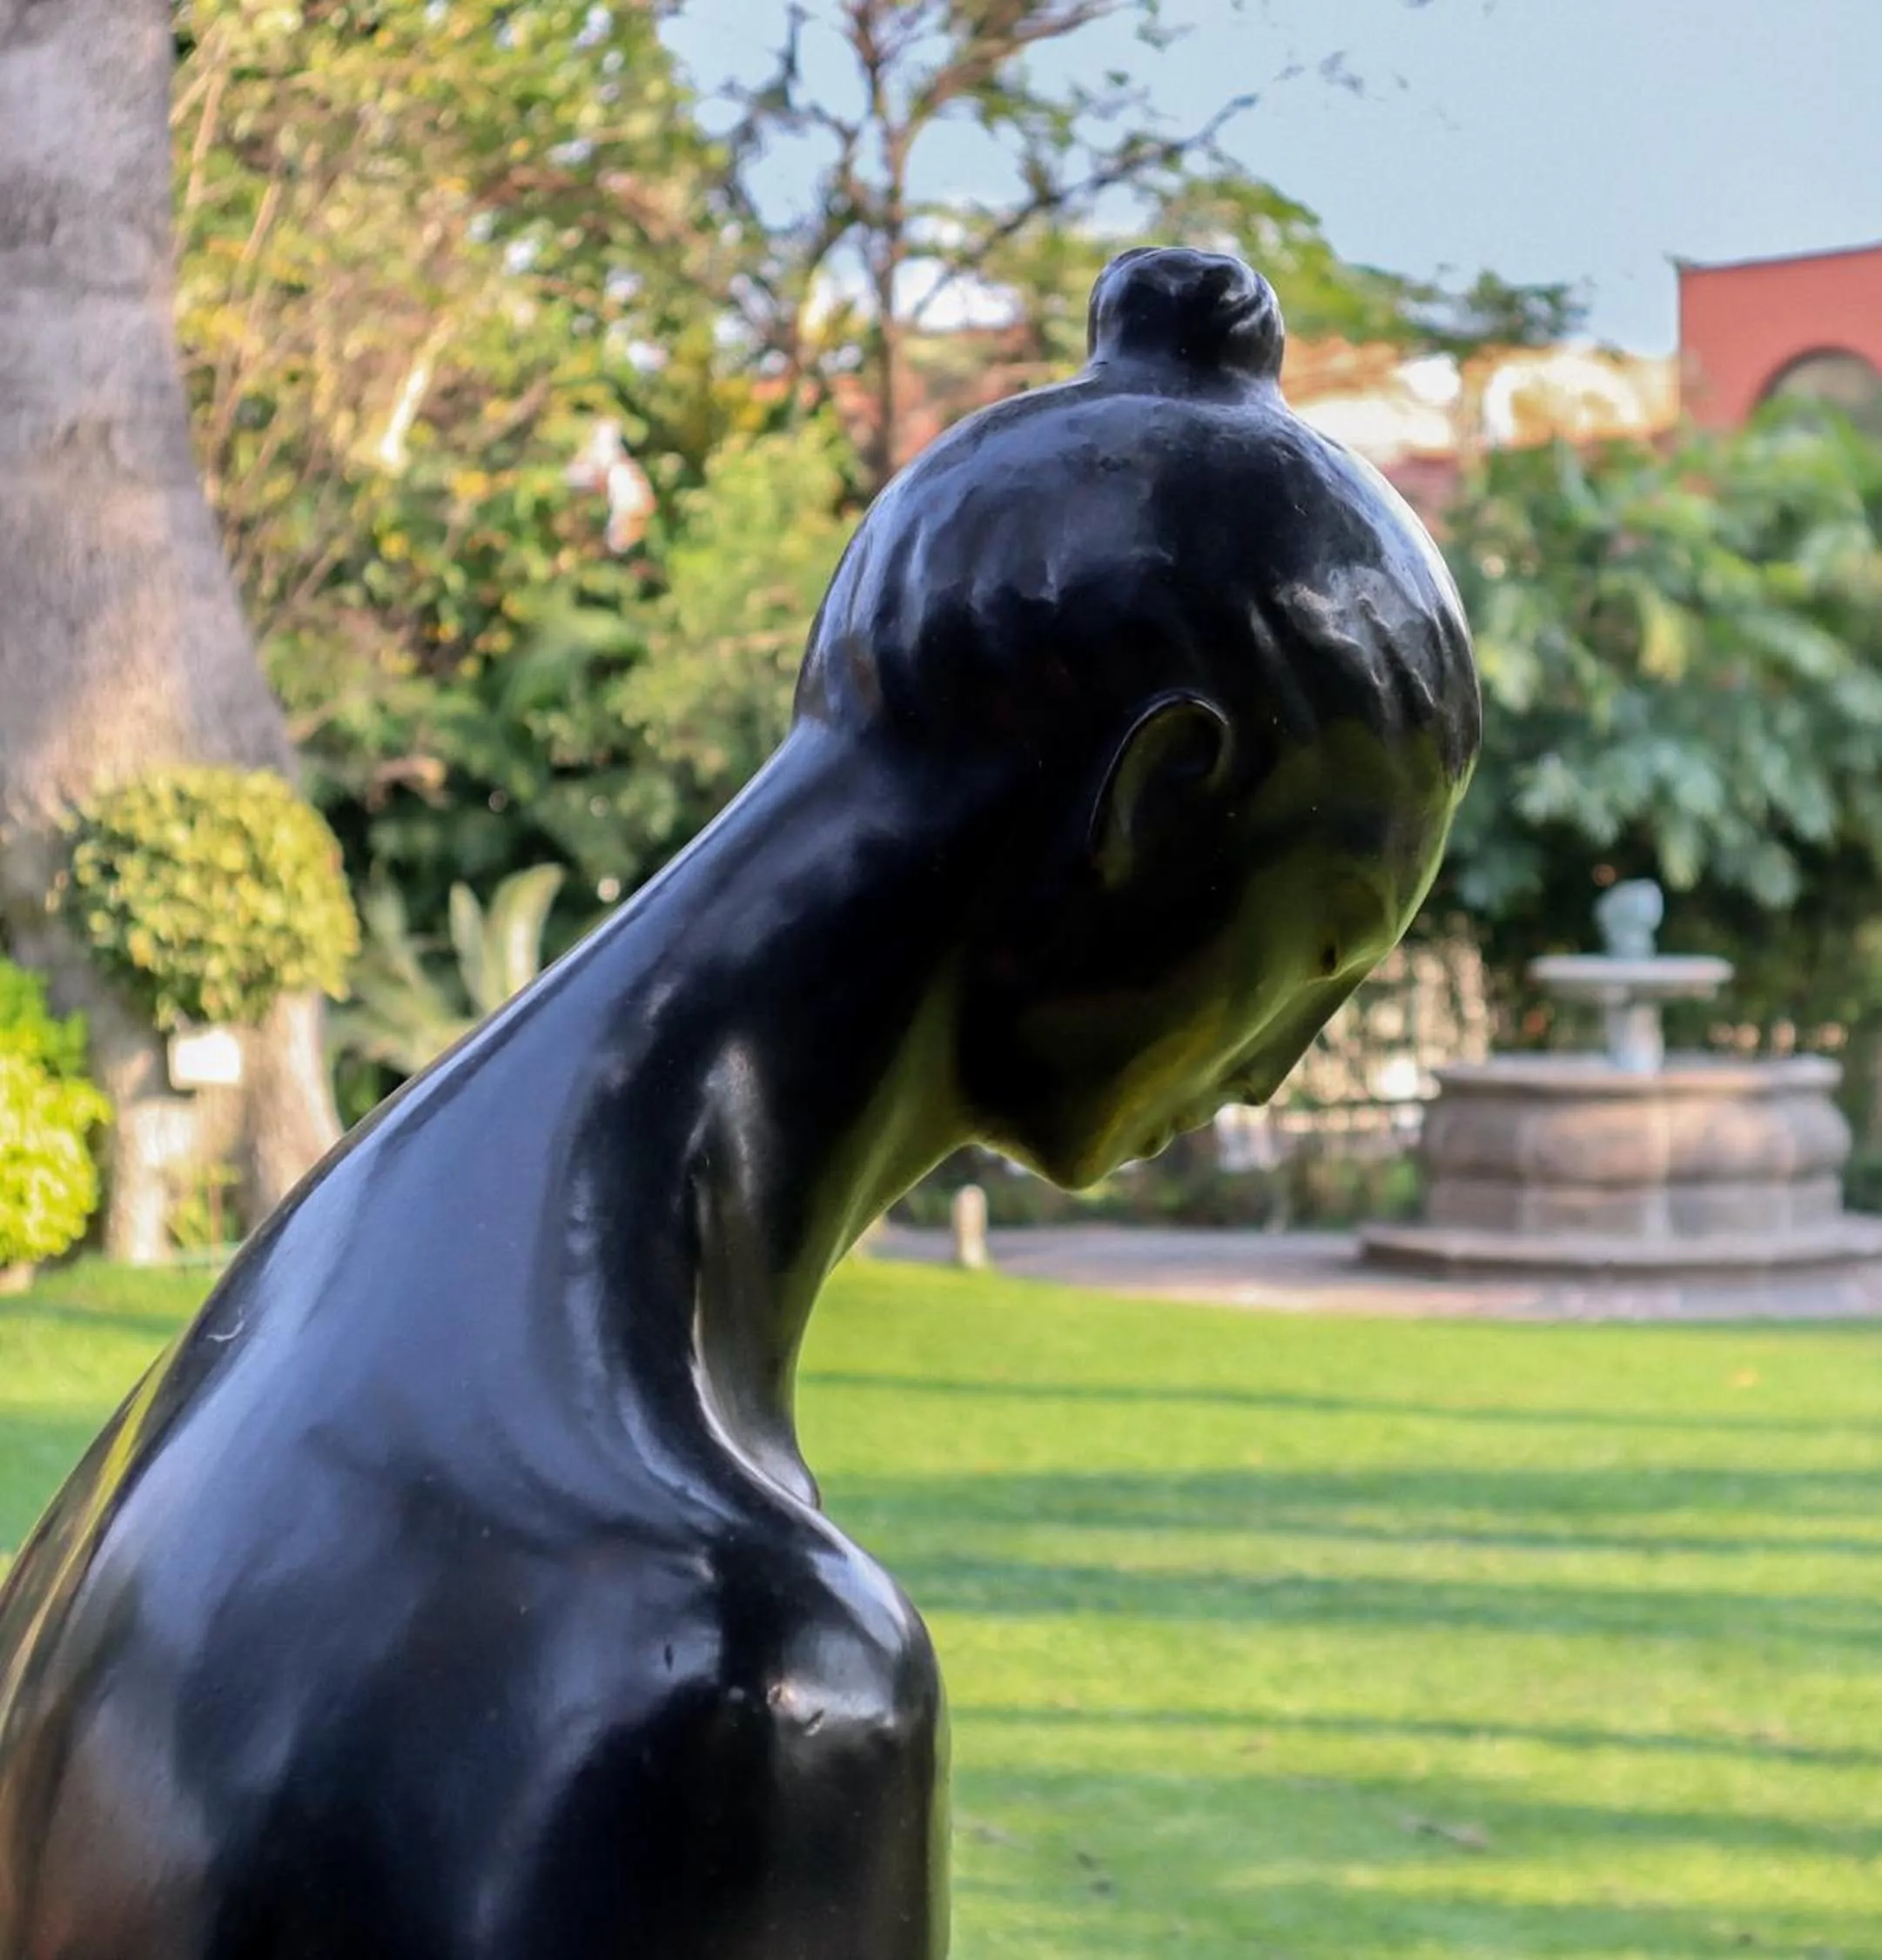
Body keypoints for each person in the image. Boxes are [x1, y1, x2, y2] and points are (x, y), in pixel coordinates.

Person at [0, 246, 1477, 1960]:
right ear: (1147, 809)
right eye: (1319, 953)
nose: (1280, 1063)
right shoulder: (728, 1664)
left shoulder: (289, 1329)